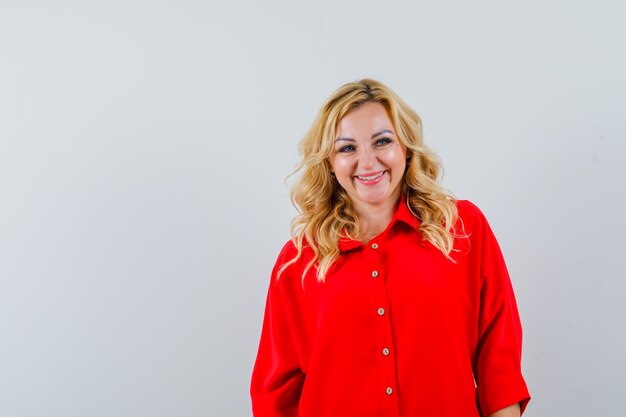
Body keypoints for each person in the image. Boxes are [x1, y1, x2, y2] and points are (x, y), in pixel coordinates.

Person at [250, 79, 531, 417]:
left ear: (406, 148)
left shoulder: (462, 229)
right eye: (347, 148)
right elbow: (275, 395)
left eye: (382, 141)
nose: (368, 162)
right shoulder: (298, 261)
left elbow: (498, 363)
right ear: (329, 161)